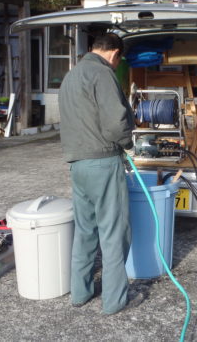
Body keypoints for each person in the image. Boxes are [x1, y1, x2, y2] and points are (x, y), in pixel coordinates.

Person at [58, 32, 139, 314]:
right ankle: (115, 301)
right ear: (115, 54)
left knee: (85, 231)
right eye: (118, 60)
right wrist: (129, 145)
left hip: (78, 165)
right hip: (103, 163)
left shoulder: (72, 75)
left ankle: (80, 293)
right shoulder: (102, 74)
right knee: (114, 233)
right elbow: (116, 123)